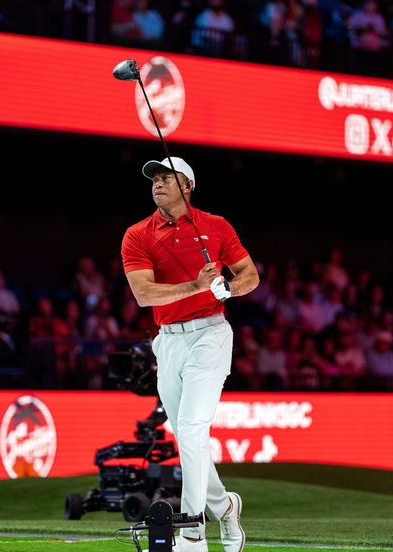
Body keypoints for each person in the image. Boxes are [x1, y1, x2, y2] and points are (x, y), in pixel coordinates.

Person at [121, 156, 258, 551]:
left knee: (194, 429)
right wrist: (197, 285)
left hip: (211, 335)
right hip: (168, 340)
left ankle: (192, 533)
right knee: (186, 434)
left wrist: (228, 289)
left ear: (188, 186)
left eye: (168, 178)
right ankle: (226, 507)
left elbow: (250, 274)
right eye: (155, 180)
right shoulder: (138, 234)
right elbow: (144, 294)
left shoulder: (215, 226)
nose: (158, 184)